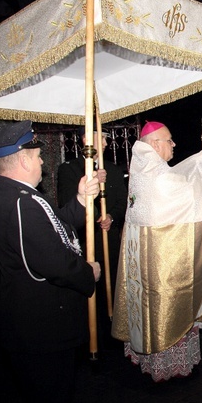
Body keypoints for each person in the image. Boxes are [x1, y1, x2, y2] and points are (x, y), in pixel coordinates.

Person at [0, 120, 102, 403]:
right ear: (22, 160)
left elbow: (56, 227)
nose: (43, 162)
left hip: (35, 330)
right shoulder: (22, 203)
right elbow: (54, 263)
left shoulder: (20, 196)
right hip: (41, 330)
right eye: (37, 155)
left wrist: (80, 199)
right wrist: (89, 273)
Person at [111, 121, 202, 382]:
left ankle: (148, 361)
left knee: (146, 311)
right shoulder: (157, 177)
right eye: (169, 140)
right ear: (154, 144)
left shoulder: (141, 170)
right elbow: (187, 192)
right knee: (165, 309)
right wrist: (200, 168)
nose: (174, 144)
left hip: (142, 265)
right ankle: (170, 367)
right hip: (162, 267)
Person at [57, 127, 127, 349]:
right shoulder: (69, 169)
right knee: (90, 290)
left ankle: (113, 332)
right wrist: (93, 179)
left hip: (109, 240)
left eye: (107, 140)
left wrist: (111, 217)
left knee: (112, 286)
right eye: (102, 139)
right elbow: (68, 206)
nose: (106, 144)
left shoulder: (114, 170)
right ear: (86, 140)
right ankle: (89, 337)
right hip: (86, 241)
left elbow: (122, 202)